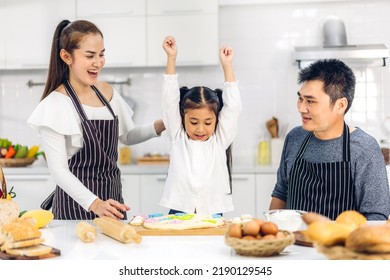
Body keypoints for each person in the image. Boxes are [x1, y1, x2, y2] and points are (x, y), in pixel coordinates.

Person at [27, 20, 165, 220]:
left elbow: (126, 136)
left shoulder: (107, 92)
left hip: (112, 204)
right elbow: (58, 171)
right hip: (74, 209)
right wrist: (95, 204)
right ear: (66, 56)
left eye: (101, 54)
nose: (98, 62)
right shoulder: (55, 105)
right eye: (90, 56)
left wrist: (162, 124)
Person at [269, 59, 390, 220]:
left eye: (310, 101)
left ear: (340, 106)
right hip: (294, 243)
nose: (301, 108)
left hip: (342, 244)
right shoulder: (295, 138)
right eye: (300, 98)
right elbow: (281, 193)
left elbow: (376, 216)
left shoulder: (364, 148)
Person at [159, 36, 242, 215]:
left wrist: (227, 66)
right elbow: (169, 101)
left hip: (213, 211)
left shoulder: (219, 141)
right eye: (194, 122)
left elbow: (234, 107)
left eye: (208, 122)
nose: (200, 129)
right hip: (180, 209)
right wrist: (171, 58)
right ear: (182, 118)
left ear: (217, 121)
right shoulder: (178, 137)